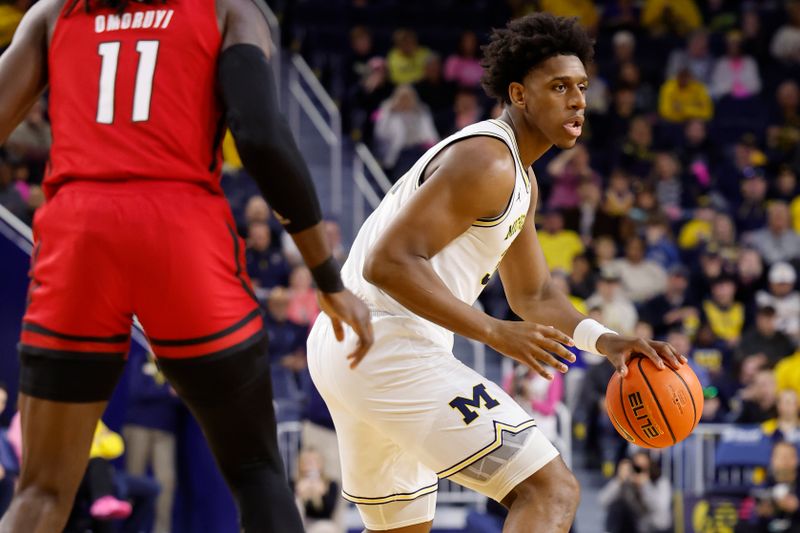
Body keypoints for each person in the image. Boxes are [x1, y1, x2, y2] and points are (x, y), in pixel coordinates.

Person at [0, 0, 374, 531]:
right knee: (257, 472)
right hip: (179, 231)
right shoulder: (228, 9)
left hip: (79, 235)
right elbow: (261, 136)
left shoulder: (54, 12)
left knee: (39, 492)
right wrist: (326, 278)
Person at [307, 14, 683, 533]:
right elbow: (388, 263)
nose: (577, 101)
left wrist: (610, 343)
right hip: (386, 341)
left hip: (353, 345)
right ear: (519, 94)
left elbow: (533, 294)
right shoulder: (490, 161)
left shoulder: (518, 176)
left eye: (581, 88)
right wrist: (494, 332)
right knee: (550, 491)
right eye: (559, 87)